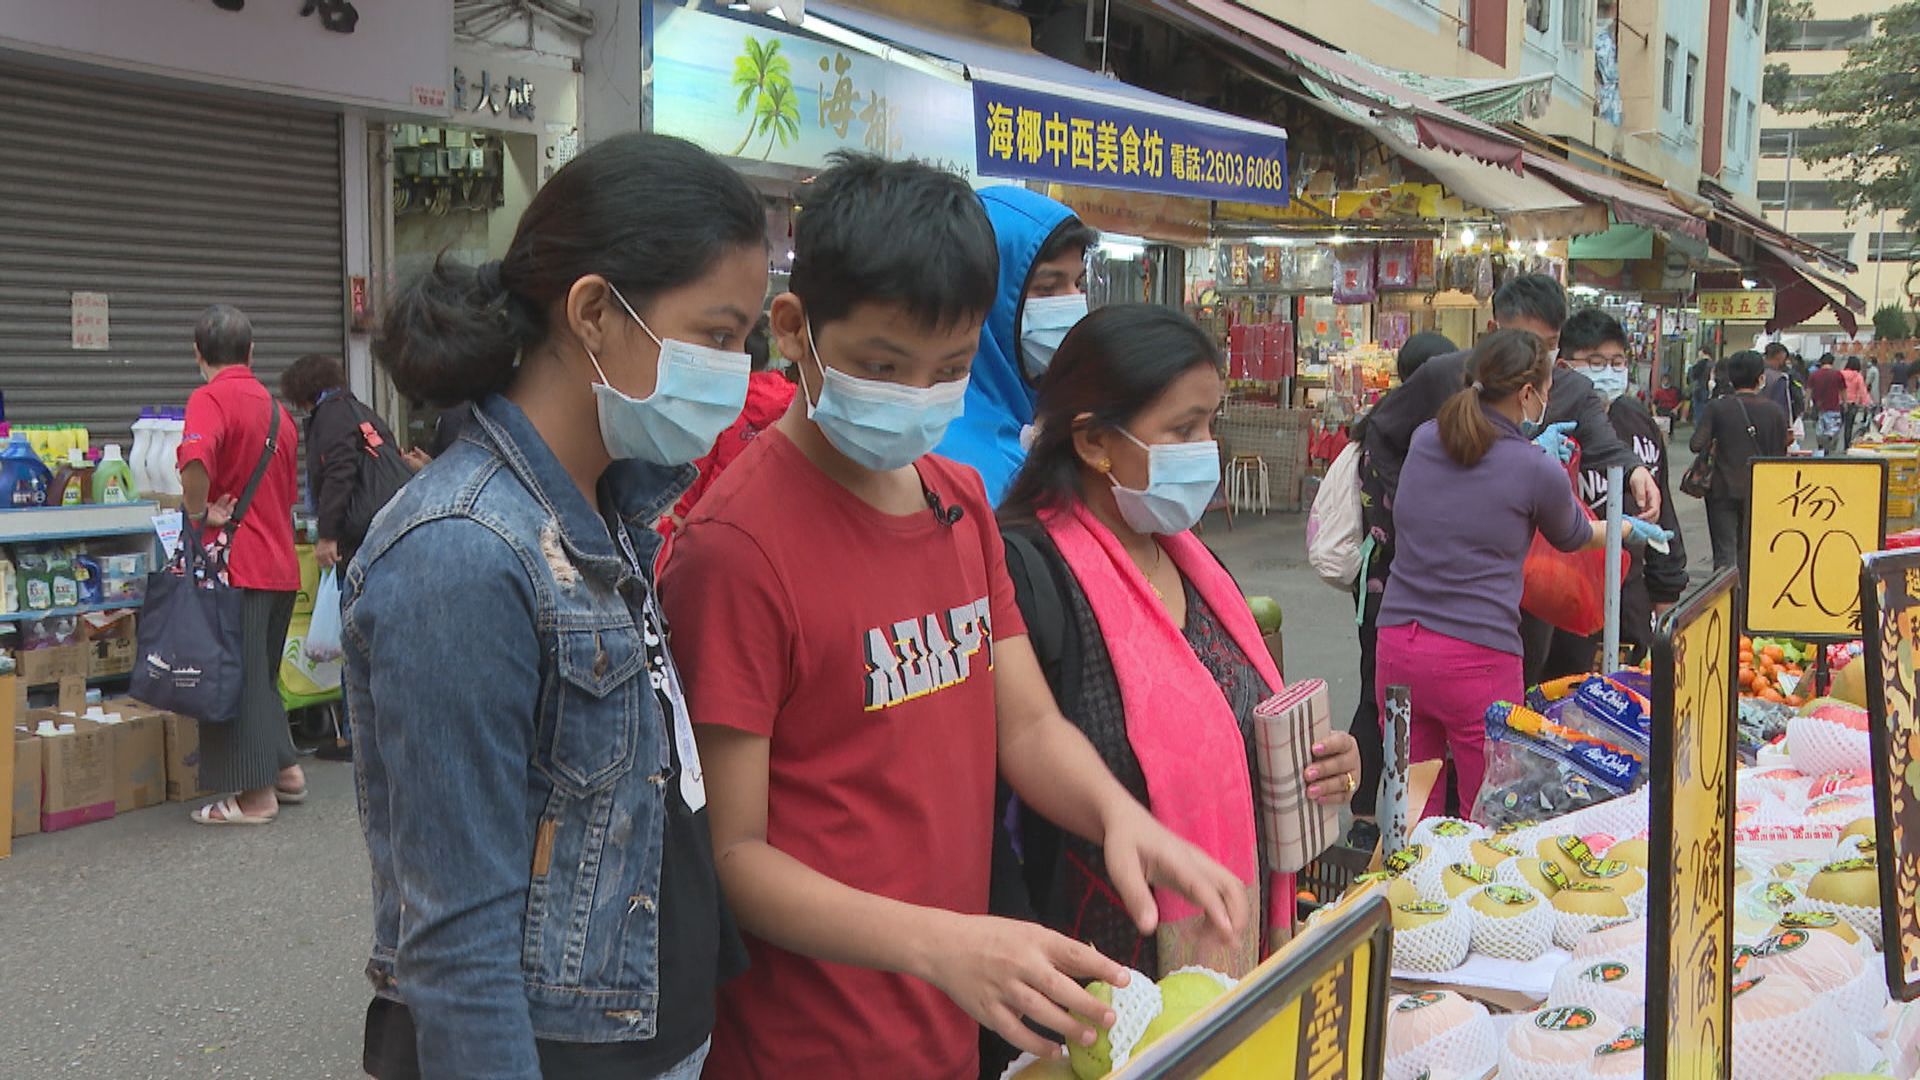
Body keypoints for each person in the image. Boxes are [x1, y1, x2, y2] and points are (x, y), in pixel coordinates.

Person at [659, 153, 1247, 1078]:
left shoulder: (959, 500)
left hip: (950, 1020)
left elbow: (1026, 724)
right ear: (794, 330)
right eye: (882, 365)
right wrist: (942, 944)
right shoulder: (736, 548)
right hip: (809, 1043)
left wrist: (1119, 815)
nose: (915, 395)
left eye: (951, 369)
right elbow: (734, 853)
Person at [345, 133, 768, 1080]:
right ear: (593, 314)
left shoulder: (611, 507)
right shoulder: (463, 552)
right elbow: (455, 943)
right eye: (717, 333)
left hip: (643, 1032)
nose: (737, 370)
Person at [991, 303, 1362, 970]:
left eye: (1209, 424)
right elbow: (1025, 745)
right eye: (1182, 428)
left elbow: (1238, 720)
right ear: (1094, 441)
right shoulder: (1029, 573)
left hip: (1237, 942)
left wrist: (1320, 765)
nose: (1205, 448)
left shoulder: (1195, 564)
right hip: (1103, 967)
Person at [1376, 329, 1670, 816]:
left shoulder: (1427, 438)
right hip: (1475, 658)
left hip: (1398, 647)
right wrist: (1624, 529)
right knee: (1493, 807)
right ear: (1527, 393)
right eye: (1548, 387)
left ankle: (1410, 889)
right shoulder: (1534, 468)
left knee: (1409, 810)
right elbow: (1574, 535)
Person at [1360, 274, 1659, 712]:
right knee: (1474, 740)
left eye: (1550, 343)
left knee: (1436, 738)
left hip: (1518, 587)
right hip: (1433, 597)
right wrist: (1408, 503)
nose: (1539, 358)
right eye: (1527, 342)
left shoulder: (1569, 390)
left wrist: (1633, 471)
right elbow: (1379, 432)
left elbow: (1603, 442)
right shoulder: (1443, 379)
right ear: (1495, 332)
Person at [177, 304, 304, 827]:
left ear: (197, 354)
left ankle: (255, 799)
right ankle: (286, 772)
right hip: (281, 564)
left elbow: (195, 462)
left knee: (237, 679)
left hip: (236, 566)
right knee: (262, 676)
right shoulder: (279, 412)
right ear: (252, 353)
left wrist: (196, 511)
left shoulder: (208, 399)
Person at [1545, 310, 1687, 675]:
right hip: (1565, 593)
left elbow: (1663, 508)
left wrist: (1666, 592)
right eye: (1595, 362)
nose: (1609, 371)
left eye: (1617, 362)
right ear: (1563, 365)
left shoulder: (1638, 420)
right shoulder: (1552, 427)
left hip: (1631, 594)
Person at [934, 186, 1097, 504]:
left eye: (1077, 284)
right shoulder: (957, 457)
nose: (1074, 304)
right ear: (984, 295)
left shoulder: (1024, 420)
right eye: (1048, 288)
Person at [278, 354, 421, 573]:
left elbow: (338, 472)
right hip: (393, 523)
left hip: (360, 535)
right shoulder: (362, 412)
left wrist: (327, 535)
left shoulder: (330, 415)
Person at [657, 316, 794, 537]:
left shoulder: (726, 404)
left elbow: (702, 466)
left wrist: (679, 517)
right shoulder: (793, 406)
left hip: (716, 519)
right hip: (773, 525)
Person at [1691, 350, 1791, 571]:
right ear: (1760, 378)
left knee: (1725, 555)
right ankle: (1747, 600)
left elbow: (1695, 444)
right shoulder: (1775, 411)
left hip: (1721, 490)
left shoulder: (1717, 407)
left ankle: (1727, 602)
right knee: (1751, 552)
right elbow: (1780, 455)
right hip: (1759, 491)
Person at [1808, 353, 1847, 455]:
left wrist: (1807, 405)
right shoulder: (1837, 374)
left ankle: (1821, 451)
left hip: (1818, 409)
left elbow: (1809, 391)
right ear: (1832, 362)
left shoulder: (1814, 375)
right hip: (1834, 409)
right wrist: (1845, 404)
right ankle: (1828, 452)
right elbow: (1843, 391)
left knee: (1820, 434)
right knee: (1832, 434)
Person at [1842, 356, 1872, 447]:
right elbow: (1863, 391)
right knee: (1849, 425)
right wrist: (1867, 403)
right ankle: (1846, 445)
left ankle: (1831, 444)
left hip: (1840, 402)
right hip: (1852, 404)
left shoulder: (1840, 374)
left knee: (1838, 425)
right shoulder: (1858, 376)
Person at [1689, 348, 1713, 421]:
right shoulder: (1713, 364)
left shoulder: (1700, 364)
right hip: (1710, 390)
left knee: (1699, 413)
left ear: (1703, 353)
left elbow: (1693, 376)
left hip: (1699, 390)